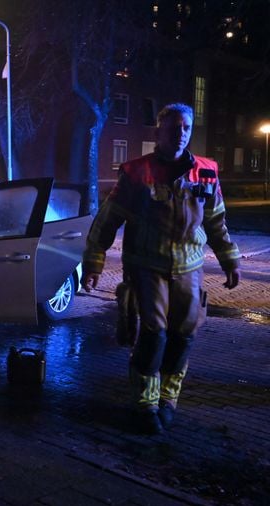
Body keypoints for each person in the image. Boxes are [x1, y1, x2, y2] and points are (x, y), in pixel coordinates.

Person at [80, 103, 241, 435]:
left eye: (185, 128)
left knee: (184, 335)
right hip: (146, 267)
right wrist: (94, 264)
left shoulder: (206, 172)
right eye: (172, 127)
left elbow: (215, 221)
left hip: (189, 270)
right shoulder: (136, 173)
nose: (179, 134)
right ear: (158, 132)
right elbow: (107, 221)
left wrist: (229, 260)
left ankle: (168, 399)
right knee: (154, 333)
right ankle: (145, 404)